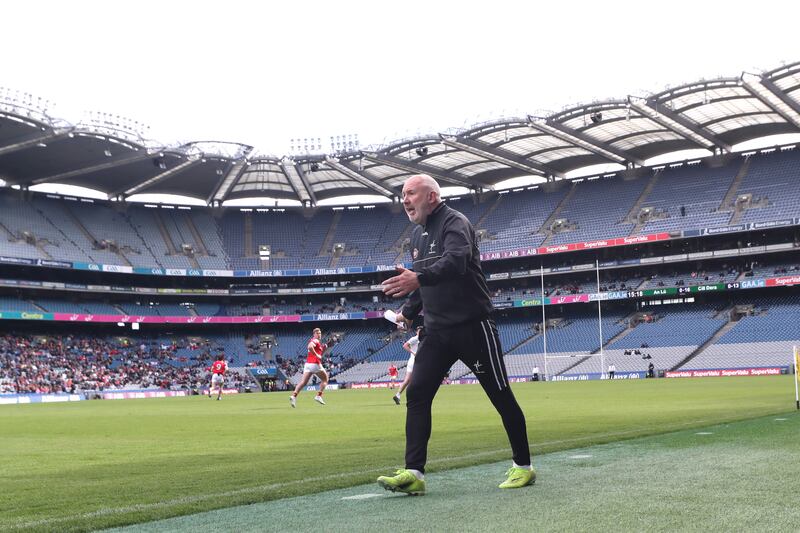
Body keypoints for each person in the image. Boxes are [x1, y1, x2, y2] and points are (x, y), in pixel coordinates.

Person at [377, 174, 534, 495]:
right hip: (436, 331)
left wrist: (418, 279)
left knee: (501, 396)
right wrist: (409, 310)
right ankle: (414, 473)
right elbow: (426, 283)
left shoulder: (454, 222)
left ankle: (524, 467)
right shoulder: (418, 237)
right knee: (417, 394)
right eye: (402, 195)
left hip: (473, 326)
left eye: (410, 194)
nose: (404, 200)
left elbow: (457, 261)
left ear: (431, 196)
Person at [289, 327, 328, 407]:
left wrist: (323, 349)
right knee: (325, 379)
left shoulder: (318, 343)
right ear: (314, 334)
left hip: (308, 365)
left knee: (303, 382)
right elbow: (310, 347)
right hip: (315, 364)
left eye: (320, 333)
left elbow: (319, 354)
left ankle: (294, 396)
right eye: (317, 333)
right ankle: (319, 396)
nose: (319, 334)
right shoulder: (315, 340)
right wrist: (317, 354)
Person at [393, 326, 422, 405]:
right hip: (415, 362)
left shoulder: (420, 339)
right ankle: (415, 397)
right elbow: (405, 345)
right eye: (419, 331)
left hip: (413, 361)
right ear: (416, 332)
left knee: (407, 380)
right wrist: (413, 353)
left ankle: (398, 395)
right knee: (418, 379)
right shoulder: (415, 339)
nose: (420, 332)